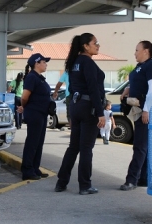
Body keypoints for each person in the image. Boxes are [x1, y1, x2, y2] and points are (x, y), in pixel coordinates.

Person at [54, 33, 106, 195]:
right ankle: (85, 185)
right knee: (86, 148)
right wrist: (100, 113)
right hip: (87, 107)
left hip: (75, 106)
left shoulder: (74, 62)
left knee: (73, 147)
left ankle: (61, 183)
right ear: (85, 46)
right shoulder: (88, 63)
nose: (98, 46)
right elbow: (93, 89)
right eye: (95, 43)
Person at [119, 41, 152, 190]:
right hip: (138, 110)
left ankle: (132, 179)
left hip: (144, 111)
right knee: (144, 147)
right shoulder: (140, 67)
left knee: (140, 146)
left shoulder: (151, 66)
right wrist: (128, 89)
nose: (135, 53)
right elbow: (138, 83)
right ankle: (144, 178)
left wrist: (146, 110)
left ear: (146, 51)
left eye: (137, 50)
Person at [17, 53, 51, 180]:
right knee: (32, 142)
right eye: (44, 62)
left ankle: (35, 168)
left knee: (39, 142)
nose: (46, 64)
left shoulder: (39, 78)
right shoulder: (32, 77)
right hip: (35, 113)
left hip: (41, 113)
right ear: (37, 63)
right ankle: (27, 170)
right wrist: (24, 106)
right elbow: (25, 96)